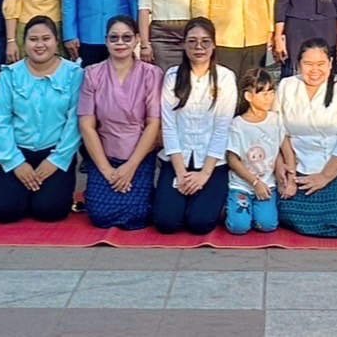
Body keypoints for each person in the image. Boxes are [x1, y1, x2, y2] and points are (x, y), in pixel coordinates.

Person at [0, 16, 83, 224]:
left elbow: (75, 123)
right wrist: (15, 163)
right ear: (24, 42)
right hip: (17, 151)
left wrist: (56, 161)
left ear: (56, 42)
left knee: (49, 211)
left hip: (55, 152)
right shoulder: (9, 76)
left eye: (46, 38)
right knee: (3, 211)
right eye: (33, 39)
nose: (40, 45)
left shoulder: (74, 74)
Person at [78, 15, 163, 230]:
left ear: (136, 40)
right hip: (104, 155)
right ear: (106, 41)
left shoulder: (152, 74)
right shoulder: (92, 74)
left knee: (139, 214)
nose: (120, 43)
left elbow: (154, 123)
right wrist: (107, 170)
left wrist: (130, 166)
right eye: (114, 38)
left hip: (139, 155)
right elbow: (87, 125)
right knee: (99, 215)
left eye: (126, 38)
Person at [154, 18, 236, 234]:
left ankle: (206, 196)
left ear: (214, 45)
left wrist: (204, 174)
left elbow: (222, 128)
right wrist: (181, 173)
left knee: (200, 224)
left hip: (212, 162)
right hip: (177, 159)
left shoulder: (226, 78)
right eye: (192, 41)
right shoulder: (172, 76)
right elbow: (169, 126)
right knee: (166, 223)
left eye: (205, 42)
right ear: (183, 45)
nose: (198, 47)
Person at [276, 38, 337, 237]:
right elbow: (277, 129)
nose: (315, 70)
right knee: (288, 212)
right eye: (308, 64)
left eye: (321, 64)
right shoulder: (287, 85)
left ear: (331, 63)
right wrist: (287, 168)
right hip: (297, 165)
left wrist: (325, 177)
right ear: (298, 65)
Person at [224, 67, 283, 236]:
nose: (269, 98)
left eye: (271, 93)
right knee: (239, 227)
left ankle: (260, 210)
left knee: (267, 224)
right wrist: (254, 182)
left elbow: (278, 149)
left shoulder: (275, 119)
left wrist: (281, 171)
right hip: (242, 184)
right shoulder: (238, 124)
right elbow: (233, 159)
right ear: (249, 96)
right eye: (263, 94)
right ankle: (231, 207)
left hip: (267, 183)